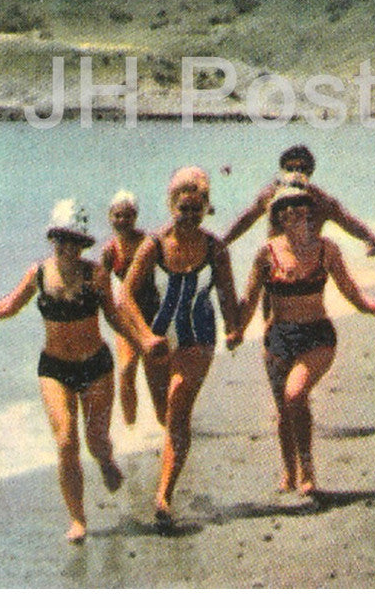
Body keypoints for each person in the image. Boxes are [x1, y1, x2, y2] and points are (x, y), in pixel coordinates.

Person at [0, 199, 165, 543]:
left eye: (74, 240)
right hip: (54, 368)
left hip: (95, 365)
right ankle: (78, 519)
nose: (67, 247)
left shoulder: (96, 276)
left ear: (83, 243)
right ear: (53, 239)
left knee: (97, 442)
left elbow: (116, 317)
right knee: (65, 441)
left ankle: (104, 461)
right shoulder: (39, 273)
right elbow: (7, 307)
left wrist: (144, 342)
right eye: (61, 239)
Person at [228, 182, 375, 497]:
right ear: (279, 218)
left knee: (295, 394)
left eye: (303, 209)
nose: (298, 216)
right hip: (278, 338)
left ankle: (308, 469)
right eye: (289, 211)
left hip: (317, 336)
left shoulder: (326, 249)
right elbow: (250, 298)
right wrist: (238, 331)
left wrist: (366, 305)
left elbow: (348, 287)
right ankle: (289, 469)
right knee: (285, 410)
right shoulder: (267, 254)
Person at [121, 167, 241, 523]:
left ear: (206, 208)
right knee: (165, 415)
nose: (189, 216)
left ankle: (163, 497)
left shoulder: (215, 248)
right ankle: (174, 455)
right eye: (182, 209)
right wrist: (144, 336)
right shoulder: (153, 245)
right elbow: (124, 295)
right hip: (158, 338)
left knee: (178, 407)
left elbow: (227, 297)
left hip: (198, 338)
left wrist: (234, 328)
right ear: (170, 205)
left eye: (196, 209)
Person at [223, 145, 375, 256]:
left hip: (308, 271)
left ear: (310, 173)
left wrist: (369, 239)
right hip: (275, 267)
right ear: (282, 171)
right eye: (290, 169)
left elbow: (347, 221)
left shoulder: (321, 201)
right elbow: (245, 221)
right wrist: (222, 244)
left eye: (302, 169)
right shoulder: (270, 196)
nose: (296, 173)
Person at [99, 190, 160, 426]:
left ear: (135, 216)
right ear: (110, 217)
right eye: (117, 215)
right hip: (126, 318)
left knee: (155, 372)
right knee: (125, 370)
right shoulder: (110, 251)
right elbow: (101, 287)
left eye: (127, 215)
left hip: (152, 313)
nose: (122, 221)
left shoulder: (148, 243)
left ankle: (164, 422)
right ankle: (131, 426)